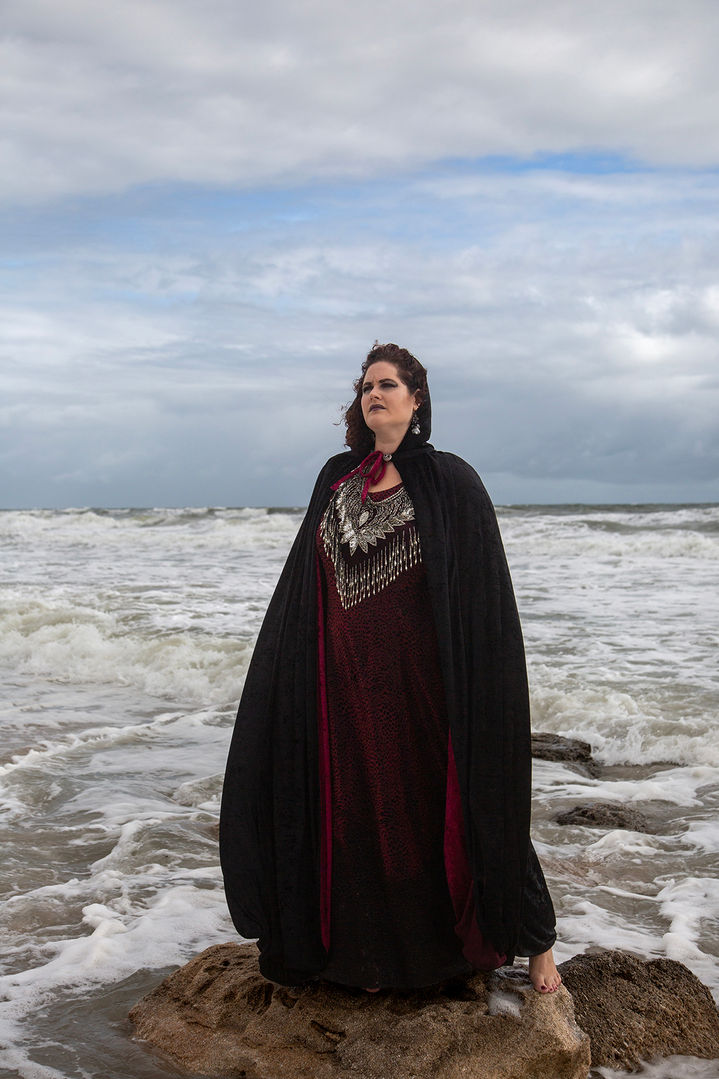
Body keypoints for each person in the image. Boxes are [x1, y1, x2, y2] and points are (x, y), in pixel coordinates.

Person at [220, 342, 561, 994]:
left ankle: (536, 940)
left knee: (467, 801)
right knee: (355, 815)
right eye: (366, 386)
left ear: (416, 398)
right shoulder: (336, 478)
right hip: (342, 686)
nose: (373, 394)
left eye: (387, 384)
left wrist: (477, 683)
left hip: (424, 686)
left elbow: (481, 592)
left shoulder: (450, 481)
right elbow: (304, 584)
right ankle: (369, 958)